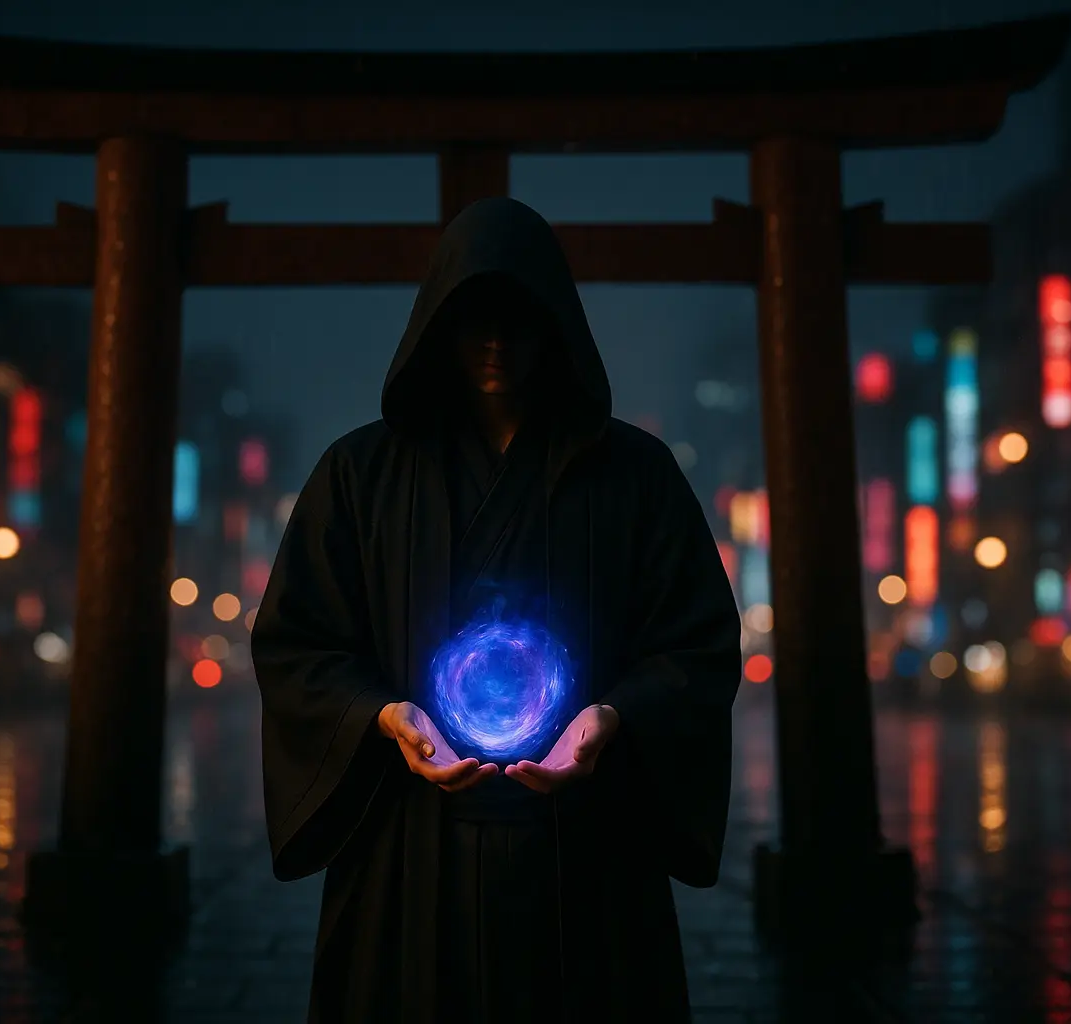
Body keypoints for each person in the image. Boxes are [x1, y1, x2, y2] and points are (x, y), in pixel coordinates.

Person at [252, 196, 742, 1024]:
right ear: (434, 324)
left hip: (586, 847)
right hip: (410, 843)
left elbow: (695, 645)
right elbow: (298, 643)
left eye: (517, 317)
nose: (493, 340)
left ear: (556, 324)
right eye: (470, 317)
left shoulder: (636, 475)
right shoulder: (359, 477)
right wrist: (384, 716)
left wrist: (608, 720)